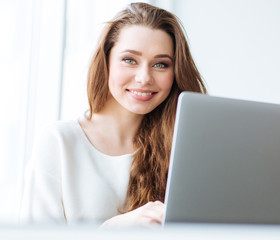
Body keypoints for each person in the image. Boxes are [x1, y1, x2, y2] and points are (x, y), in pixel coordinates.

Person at [20, 2, 206, 227]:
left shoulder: (180, 147)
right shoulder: (59, 142)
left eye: (160, 64)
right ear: (106, 61)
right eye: (130, 60)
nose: (144, 77)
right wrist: (114, 229)